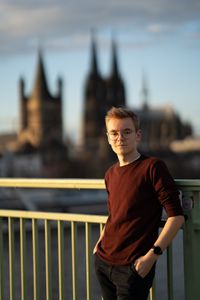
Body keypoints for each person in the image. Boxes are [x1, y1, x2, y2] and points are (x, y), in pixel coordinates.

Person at [94, 106, 185, 300]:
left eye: (127, 132)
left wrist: (152, 256)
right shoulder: (110, 173)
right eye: (114, 133)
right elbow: (114, 214)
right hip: (103, 261)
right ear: (108, 138)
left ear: (138, 135)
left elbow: (176, 217)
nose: (120, 138)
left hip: (133, 268)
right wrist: (99, 244)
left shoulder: (153, 167)